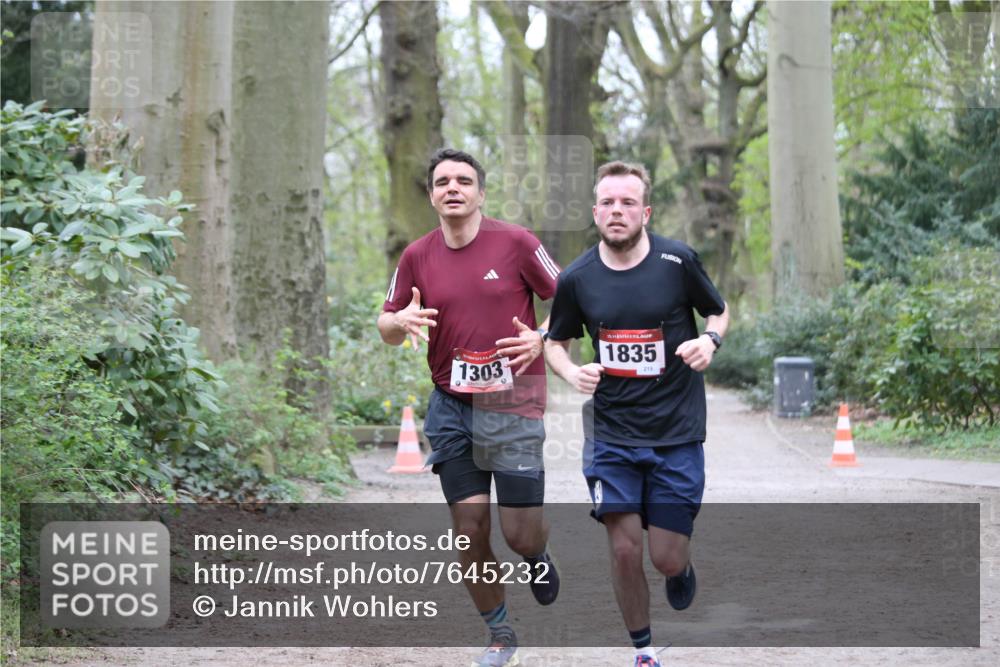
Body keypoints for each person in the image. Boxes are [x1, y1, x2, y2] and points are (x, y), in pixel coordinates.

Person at [377, 148, 562, 667]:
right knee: (469, 529)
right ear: (432, 195)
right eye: (442, 181)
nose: (452, 188)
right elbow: (387, 324)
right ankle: (500, 634)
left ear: (481, 193)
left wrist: (543, 337)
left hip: (515, 401)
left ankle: (536, 555)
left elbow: (572, 299)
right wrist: (399, 323)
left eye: (463, 180)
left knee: (519, 533)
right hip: (451, 406)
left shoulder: (518, 243)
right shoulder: (416, 256)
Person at [543, 161, 728, 667]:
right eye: (607, 202)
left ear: (644, 211)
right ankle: (644, 651)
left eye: (627, 202)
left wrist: (708, 340)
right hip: (612, 435)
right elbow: (554, 342)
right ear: (594, 211)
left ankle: (679, 569)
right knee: (624, 549)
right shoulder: (577, 279)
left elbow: (718, 309)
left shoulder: (677, 261)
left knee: (665, 556)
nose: (616, 211)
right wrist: (569, 372)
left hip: (676, 431)